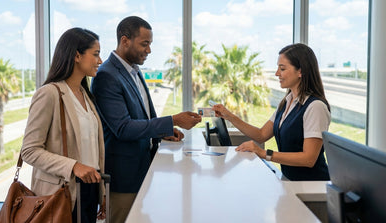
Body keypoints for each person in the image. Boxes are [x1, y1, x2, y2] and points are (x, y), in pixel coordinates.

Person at [91, 16, 201, 222]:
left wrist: (165, 131)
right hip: (124, 176)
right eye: (145, 44)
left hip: (143, 169)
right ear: (125, 41)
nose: (149, 50)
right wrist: (173, 120)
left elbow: (144, 116)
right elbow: (123, 128)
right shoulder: (107, 76)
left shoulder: (134, 70)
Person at [21, 27, 106, 222]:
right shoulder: (49, 94)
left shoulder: (86, 96)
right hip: (61, 193)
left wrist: (100, 192)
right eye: (95, 54)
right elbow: (29, 150)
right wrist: (73, 166)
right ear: (77, 55)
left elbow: (92, 150)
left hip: (88, 191)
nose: (100, 61)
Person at [212, 43, 331, 181]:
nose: (277, 73)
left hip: (313, 187)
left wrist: (264, 153)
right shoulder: (287, 102)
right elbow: (261, 135)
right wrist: (229, 116)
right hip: (290, 181)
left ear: (301, 71)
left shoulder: (315, 106)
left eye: (282, 68)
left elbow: (308, 158)